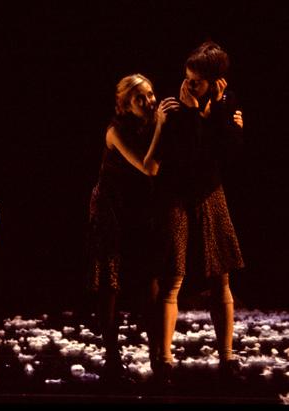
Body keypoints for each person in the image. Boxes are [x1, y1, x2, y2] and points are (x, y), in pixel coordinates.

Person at [151, 41, 245, 384]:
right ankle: (163, 359)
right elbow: (186, 156)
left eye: (197, 81)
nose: (188, 85)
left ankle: (228, 356)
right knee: (172, 277)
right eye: (187, 78)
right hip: (176, 197)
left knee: (221, 276)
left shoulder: (226, 105)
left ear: (217, 82)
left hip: (210, 195)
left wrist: (217, 112)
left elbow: (228, 153)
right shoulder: (176, 108)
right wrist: (193, 114)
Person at [87, 74, 179, 381]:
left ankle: (157, 354)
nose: (150, 101)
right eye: (140, 97)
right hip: (111, 209)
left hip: (139, 209)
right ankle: (111, 356)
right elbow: (148, 167)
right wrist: (162, 128)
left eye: (151, 94)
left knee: (148, 278)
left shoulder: (151, 125)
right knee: (110, 280)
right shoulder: (116, 131)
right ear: (125, 105)